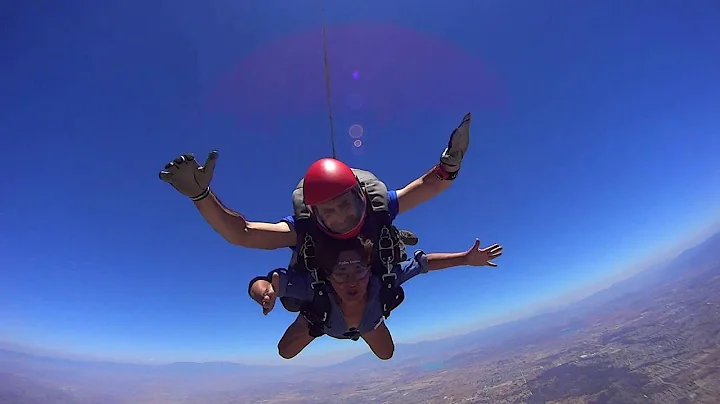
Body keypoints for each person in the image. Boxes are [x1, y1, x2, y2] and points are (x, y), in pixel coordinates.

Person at [157, 112, 471, 251]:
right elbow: (243, 234)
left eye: (343, 204)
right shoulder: (304, 228)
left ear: (360, 196)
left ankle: (392, 241)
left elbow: (429, 186)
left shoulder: (379, 206)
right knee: (289, 347)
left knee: (384, 349)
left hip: (370, 275)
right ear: (313, 214)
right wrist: (202, 196)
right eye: (327, 211)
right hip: (332, 293)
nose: (339, 217)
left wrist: (450, 163)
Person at [248, 237, 503, 360]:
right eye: (340, 272)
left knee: (386, 354)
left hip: (368, 322)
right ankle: (315, 322)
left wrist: (465, 259)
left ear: (369, 269)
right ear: (327, 275)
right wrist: (265, 293)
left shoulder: (383, 280)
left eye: (358, 270)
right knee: (285, 352)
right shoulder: (315, 288)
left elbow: (422, 263)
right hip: (320, 320)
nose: (351, 281)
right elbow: (262, 283)